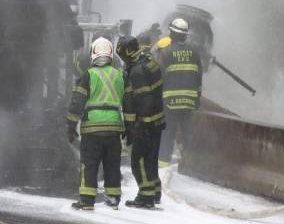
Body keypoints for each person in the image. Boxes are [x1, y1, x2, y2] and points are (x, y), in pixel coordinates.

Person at [67, 37, 129, 211]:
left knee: (89, 163)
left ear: (93, 54)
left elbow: (76, 103)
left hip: (92, 128)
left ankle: (87, 201)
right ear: (110, 54)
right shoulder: (120, 75)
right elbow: (130, 103)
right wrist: (130, 127)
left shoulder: (88, 75)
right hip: (114, 127)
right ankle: (113, 198)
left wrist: (71, 126)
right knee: (112, 164)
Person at [119, 37, 166, 209]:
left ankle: (145, 196)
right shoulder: (148, 61)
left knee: (138, 160)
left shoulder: (137, 72)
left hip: (146, 124)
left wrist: (136, 126)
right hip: (157, 120)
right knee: (151, 159)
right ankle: (155, 192)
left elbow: (142, 100)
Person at [155, 17, 202, 165]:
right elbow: (198, 78)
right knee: (187, 133)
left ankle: (163, 164)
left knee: (167, 133)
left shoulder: (165, 53)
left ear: (173, 34)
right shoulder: (195, 53)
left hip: (170, 102)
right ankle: (191, 164)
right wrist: (197, 99)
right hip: (189, 102)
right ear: (185, 35)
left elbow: (158, 78)